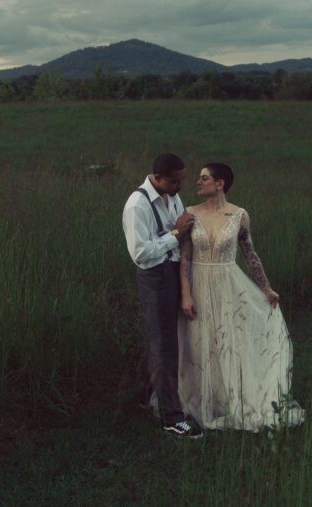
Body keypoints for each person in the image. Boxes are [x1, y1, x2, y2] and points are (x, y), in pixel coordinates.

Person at [177, 163, 305, 431]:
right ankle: (201, 400)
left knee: (228, 338)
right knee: (200, 341)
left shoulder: (239, 216)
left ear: (220, 183)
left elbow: (250, 255)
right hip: (198, 284)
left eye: (204, 178)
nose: (198, 183)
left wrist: (267, 289)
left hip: (228, 283)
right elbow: (185, 257)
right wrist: (186, 295)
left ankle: (232, 398)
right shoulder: (189, 213)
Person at [122, 153, 203, 438]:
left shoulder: (172, 196)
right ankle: (171, 418)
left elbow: (179, 233)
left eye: (181, 180)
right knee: (164, 346)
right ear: (157, 177)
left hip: (172, 272)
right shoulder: (137, 205)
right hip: (154, 278)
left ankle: (145, 396)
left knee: (165, 338)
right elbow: (141, 254)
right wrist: (175, 233)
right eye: (174, 181)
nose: (179, 186)